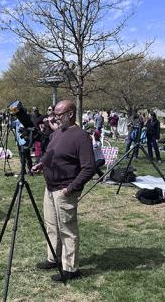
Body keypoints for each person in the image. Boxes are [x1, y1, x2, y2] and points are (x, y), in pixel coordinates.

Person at [31, 100, 96, 282]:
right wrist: (41, 165)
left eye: (59, 114)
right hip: (50, 188)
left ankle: (71, 268)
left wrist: (70, 189)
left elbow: (88, 168)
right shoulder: (57, 133)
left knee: (67, 229)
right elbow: (51, 155)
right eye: (54, 114)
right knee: (51, 226)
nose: (55, 118)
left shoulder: (81, 136)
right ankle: (53, 258)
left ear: (70, 114)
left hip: (64, 190)